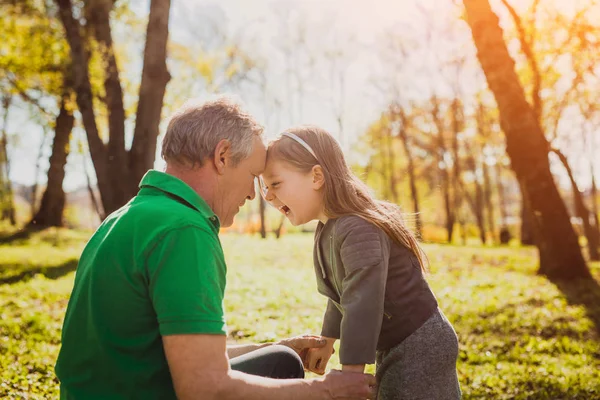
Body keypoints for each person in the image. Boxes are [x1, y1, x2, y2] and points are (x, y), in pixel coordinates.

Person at [55, 98, 376, 400]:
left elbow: (178, 351)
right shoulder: (185, 231)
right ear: (222, 157)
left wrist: (270, 346)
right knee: (284, 368)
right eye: (253, 175)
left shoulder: (130, 217)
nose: (254, 194)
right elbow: (202, 387)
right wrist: (325, 391)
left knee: (279, 358)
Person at [261, 125, 462, 399]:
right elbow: (341, 293)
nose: (269, 196)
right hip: (393, 342)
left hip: (419, 343)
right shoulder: (327, 228)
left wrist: (350, 375)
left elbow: (362, 302)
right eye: (265, 188)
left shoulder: (358, 227)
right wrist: (327, 340)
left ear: (316, 176)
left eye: (275, 184)